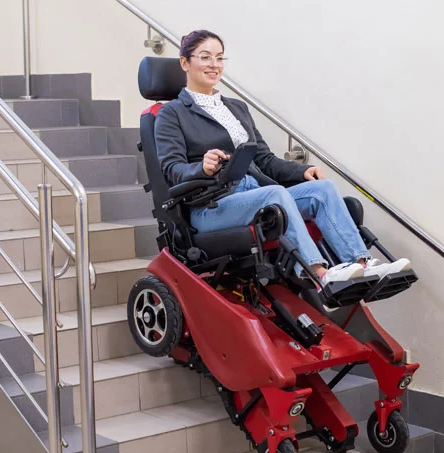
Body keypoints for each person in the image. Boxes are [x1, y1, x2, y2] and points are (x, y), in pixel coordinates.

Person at [154, 29, 411, 287]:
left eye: (220, 58)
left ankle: (361, 265)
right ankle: (319, 274)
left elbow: (264, 159)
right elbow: (172, 169)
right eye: (205, 57)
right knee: (274, 194)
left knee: (322, 189)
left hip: (254, 193)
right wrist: (202, 167)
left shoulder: (236, 108)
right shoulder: (172, 114)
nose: (214, 65)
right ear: (185, 63)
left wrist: (302, 172)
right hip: (211, 205)